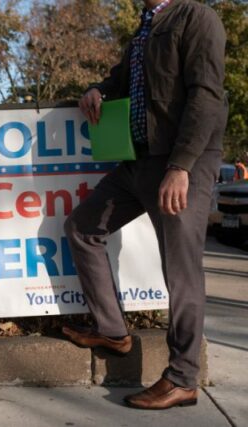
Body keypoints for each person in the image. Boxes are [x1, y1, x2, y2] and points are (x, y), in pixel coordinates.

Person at [62, 0, 227, 410]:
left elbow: (206, 94)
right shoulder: (144, 27)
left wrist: (181, 166)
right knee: (83, 227)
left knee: (181, 268)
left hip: (178, 161)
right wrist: (100, 89)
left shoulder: (196, 17)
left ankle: (183, 377)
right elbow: (126, 81)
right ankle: (112, 331)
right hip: (136, 160)